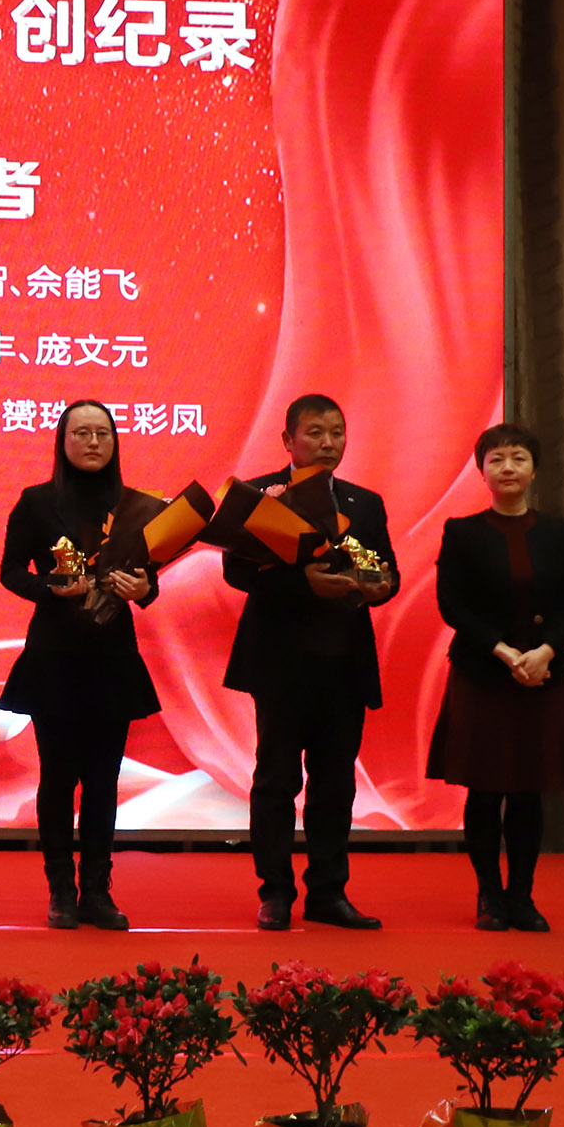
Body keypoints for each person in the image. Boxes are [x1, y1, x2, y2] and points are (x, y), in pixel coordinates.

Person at [221, 393, 399, 932]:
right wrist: (304, 583)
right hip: (281, 663)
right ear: (288, 440)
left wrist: (380, 587)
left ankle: (328, 892)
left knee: (335, 784)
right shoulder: (262, 497)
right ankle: (275, 892)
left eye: (336, 433)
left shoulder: (364, 503)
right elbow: (236, 572)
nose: (327, 443)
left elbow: (388, 572)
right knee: (276, 780)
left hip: (343, 663)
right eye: (315, 432)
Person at [427, 422, 564, 932]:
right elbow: (452, 605)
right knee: (484, 789)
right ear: (482, 471)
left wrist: (545, 652)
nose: (507, 468)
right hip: (483, 673)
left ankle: (522, 896)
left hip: (542, 675)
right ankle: (489, 896)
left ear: (534, 470)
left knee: (528, 789)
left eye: (518, 458)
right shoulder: (462, 531)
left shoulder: (558, 531)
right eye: (496, 459)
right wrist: (505, 653)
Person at [0, 400, 159, 930]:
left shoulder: (136, 507)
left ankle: (97, 892)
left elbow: (151, 584)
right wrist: (51, 587)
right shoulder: (37, 502)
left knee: (104, 781)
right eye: (81, 432)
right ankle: (61, 891)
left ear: (115, 442)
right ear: (63, 441)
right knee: (58, 778)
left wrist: (142, 588)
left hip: (112, 657)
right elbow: (9, 572)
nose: (93, 442)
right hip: (56, 658)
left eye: (102, 433)